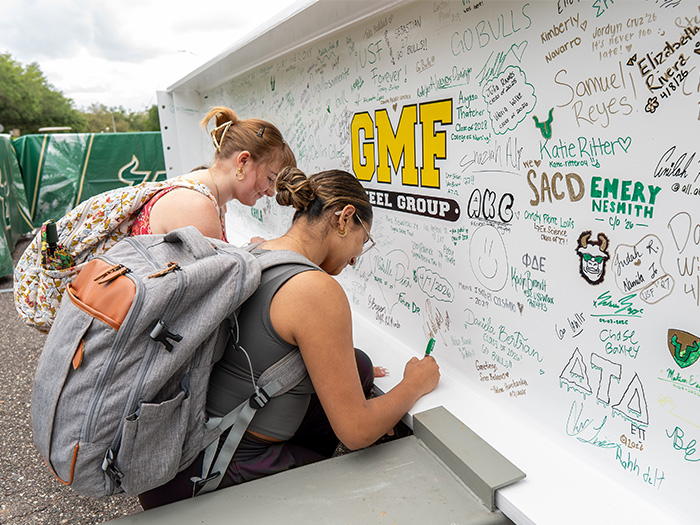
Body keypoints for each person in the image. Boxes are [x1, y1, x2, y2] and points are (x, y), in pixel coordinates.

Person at [138, 167, 440, 509]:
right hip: (212, 470)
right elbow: (356, 433)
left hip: (178, 451)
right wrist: (413, 385)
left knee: (359, 366)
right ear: (345, 218)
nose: (356, 258)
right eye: (362, 241)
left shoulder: (256, 254)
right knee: (365, 496)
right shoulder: (315, 290)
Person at [130, 106, 296, 241]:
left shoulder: (213, 201)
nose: (270, 192)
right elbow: (213, 280)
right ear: (243, 161)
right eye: (270, 178)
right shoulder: (196, 207)